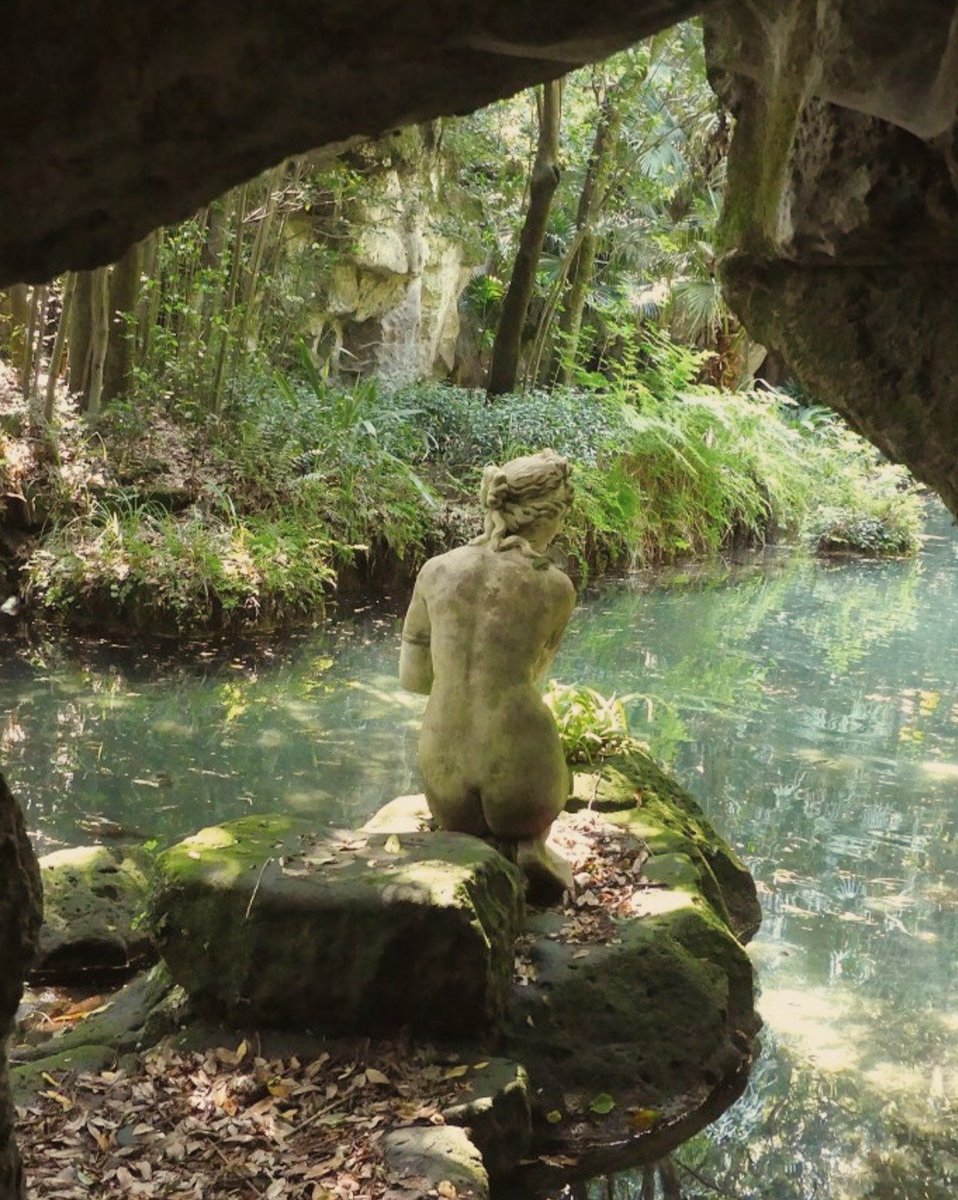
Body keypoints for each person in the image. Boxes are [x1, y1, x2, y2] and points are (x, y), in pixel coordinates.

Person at [399, 449, 576, 899]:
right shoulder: (553, 587)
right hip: (526, 789)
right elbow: (532, 678)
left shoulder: (436, 571)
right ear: (550, 516)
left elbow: (414, 679)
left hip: (444, 783)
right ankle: (531, 852)